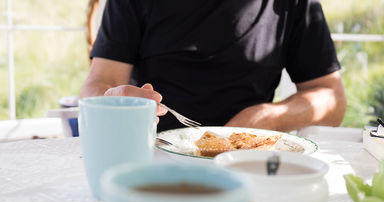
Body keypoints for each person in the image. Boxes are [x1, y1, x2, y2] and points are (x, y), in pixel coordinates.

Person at [80, 0, 347, 132]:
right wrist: (110, 101)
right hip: (154, 157)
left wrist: (268, 118)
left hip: (248, 161)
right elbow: (100, 81)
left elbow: (331, 98)